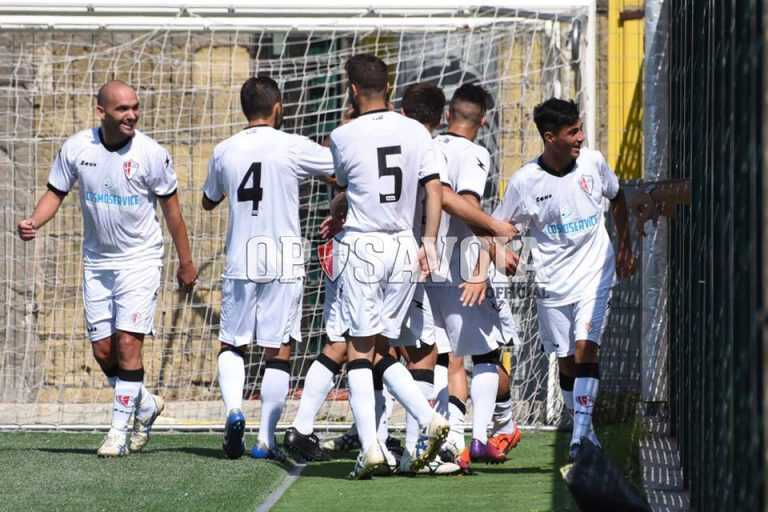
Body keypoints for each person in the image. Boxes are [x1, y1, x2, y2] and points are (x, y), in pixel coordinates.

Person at [17, 80, 197, 457]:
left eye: (135, 107)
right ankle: (145, 405)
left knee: (129, 344)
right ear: (102, 112)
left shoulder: (151, 154)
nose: (131, 114)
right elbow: (56, 192)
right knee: (103, 352)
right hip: (97, 262)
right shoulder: (77, 148)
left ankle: (118, 431)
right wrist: (34, 221)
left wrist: (186, 262)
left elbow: (174, 214)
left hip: (140, 260)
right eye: (122, 109)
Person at [491, 98, 635, 460]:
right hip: (553, 283)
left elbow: (617, 199)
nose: (582, 137)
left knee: (587, 346)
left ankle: (582, 437)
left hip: (595, 274)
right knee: (567, 360)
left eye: (580, 128)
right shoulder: (525, 181)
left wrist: (624, 247)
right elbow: (498, 229)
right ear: (550, 137)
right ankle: (581, 425)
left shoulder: (594, 162)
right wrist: (498, 252)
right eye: (573, 132)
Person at [329, 54, 450, 479]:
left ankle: (372, 447)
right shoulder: (416, 130)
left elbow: (344, 186)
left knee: (360, 351)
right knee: (381, 347)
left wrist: (339, 209)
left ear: (352, 88)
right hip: (403, 246)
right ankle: (424, 419)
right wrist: (430, 243)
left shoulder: (342, 136)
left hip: (363, 246)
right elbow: (433, 189)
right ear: (389, 84)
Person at [201, 76, 335, 460]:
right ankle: (265, 439)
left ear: (244, 109)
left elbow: (209, 200)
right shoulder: (293, 146)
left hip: (242, 255)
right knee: (279, 350)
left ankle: (233, 410)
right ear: (278, 106)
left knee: (233, 341)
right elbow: (340, 169)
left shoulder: (224, 150)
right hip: (283, 257)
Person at [425, 83, 521, 471]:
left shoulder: (429, 146)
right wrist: (484, 267)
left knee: (437, 355)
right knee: (486, 353)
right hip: (462, 266)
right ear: (482, 121)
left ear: (449, 114)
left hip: (425, 262)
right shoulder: (475, 153)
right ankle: (479, 439)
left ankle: (443, 441)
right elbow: (469, 207)